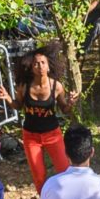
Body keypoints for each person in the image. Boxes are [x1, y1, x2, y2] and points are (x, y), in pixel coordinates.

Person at [14, 49, 73, 190]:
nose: (40, 66)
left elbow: (64, 109)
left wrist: (70, 103)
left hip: (52, 134)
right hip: (31, 136)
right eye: (36, 64)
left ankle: (67, 198)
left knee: (64, 170)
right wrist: (8, 99)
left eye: (43, 63)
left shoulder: (56, 87)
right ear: (31, 67)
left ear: (48, 66)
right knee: (39, 175)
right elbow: (18, 106)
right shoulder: (24, 86)